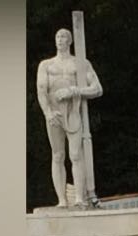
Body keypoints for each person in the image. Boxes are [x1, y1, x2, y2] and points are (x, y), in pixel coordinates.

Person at [36, 28, 102, 208]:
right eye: (57, 36)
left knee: (76, 154)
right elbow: (41, 91)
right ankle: (62, 200)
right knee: (57, 155)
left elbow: (97, 88)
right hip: (54, 113)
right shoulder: (46, 65)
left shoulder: (80, 64)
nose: (60, 39)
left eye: (64, 36)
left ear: (70, 40)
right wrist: (48, 112)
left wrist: (74, 90)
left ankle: (79, 198)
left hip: (73, 112)